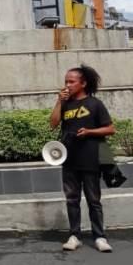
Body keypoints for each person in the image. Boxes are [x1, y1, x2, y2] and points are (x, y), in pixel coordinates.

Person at [50, 65, 115, 253]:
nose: (67, 85)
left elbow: (110, 129)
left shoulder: (95, 104)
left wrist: (89, 132)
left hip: (91, 159)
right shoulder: (65, 103)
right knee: (72, 199)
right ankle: (74, 236)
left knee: (94, 200)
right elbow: (53, 124)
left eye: (72, 82)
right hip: (69, 159)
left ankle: (99, 237)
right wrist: (59, 102)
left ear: (83, 83)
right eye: (66, 82)